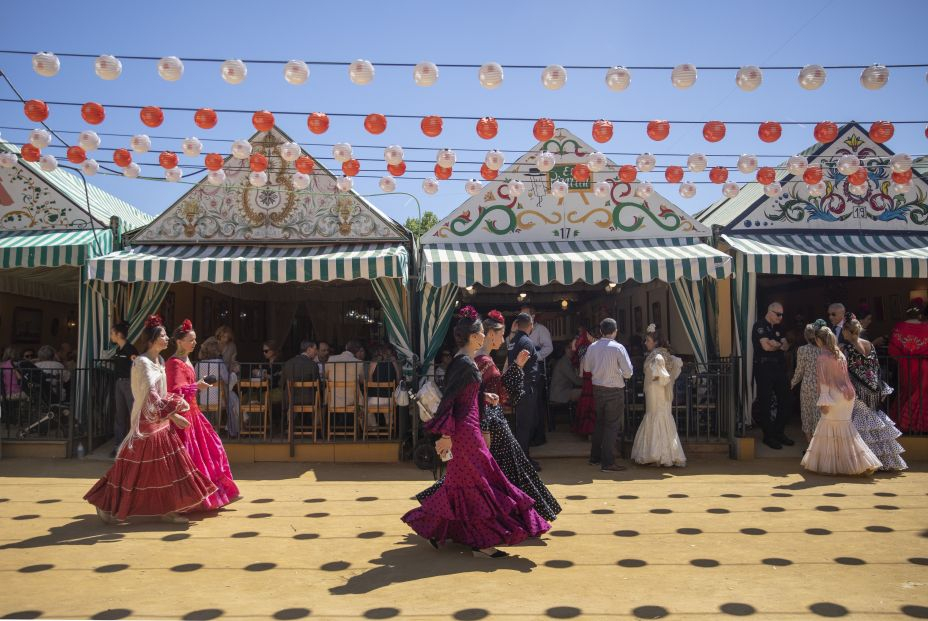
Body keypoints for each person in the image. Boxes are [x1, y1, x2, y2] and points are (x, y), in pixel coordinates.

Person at [402, 306, 550, 558]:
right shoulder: (465, 363)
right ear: (473, 337)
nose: (485, 336)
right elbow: (450, 401)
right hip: (467, 434)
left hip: (467, 430)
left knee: (461, 486)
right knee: (479, 486)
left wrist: (482, 395)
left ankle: (446, 532)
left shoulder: (466, 362)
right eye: (482, 332)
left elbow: (461, 397)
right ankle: (479, 542)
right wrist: (446, 435)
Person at [84, 315, 217, 524]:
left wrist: (171, 415)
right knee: (131, 468)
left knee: (169, 466)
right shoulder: (143, 362)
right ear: (152, 339)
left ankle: (169, 509)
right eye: (162, 336)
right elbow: (151, 395)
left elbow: (162, 394)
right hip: (145, 424)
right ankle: (105, 503)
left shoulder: (160, 360)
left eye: (165, 335)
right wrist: (174, 415)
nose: (166, 339)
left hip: (161, 422)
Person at [166, 320, 239, 510]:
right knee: (194, 456)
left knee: (213, 448)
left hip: (195, 412)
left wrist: (196, 386)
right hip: (184, 414)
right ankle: (193, 498)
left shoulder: (188, 361)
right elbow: (174, 390)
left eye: (195, 339)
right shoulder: (174, 363)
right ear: (180, 341)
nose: (194, 343)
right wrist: (196, 386)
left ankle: (219, 490)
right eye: (191, 340)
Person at [800, 321, 882, 476]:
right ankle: (863, 463)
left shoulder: (822, 357)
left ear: (819, 340)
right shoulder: (840, 355)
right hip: (847, 396)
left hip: (832, 395)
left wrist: (824, 401)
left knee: (829, 430)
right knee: (847, 431)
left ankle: (842, 465)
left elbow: (823, 381)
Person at [842, 317, 907, 471]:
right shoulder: (869, 344)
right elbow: (876, 367)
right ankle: (880, 460)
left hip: (857, 389)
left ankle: (866, 462)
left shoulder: (847, 348)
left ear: (846, 331)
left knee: (861, 424)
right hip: (874, 387)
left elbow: (845, 370)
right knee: (873, 421)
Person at [582, 318, 634, 473]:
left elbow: (587, 368)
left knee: (599, 423)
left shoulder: (592, 347)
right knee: (612, 425)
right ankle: (608, 462)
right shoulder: (618, 348)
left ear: (600, 331)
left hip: (598, 389)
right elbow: (629, 373)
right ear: (615, 331)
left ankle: (595, 457)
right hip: (614, 390)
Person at [631, 325, 685, 467]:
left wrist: (658, 376)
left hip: (656, 391)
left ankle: (656, 453)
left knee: (656, 416)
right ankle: (664, 453)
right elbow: (673, 370)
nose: (646, 343)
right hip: (659, 392)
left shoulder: (658, 355)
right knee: (661, 417)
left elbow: (662, 375)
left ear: (655, 342)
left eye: (648, 340)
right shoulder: (666, 355)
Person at [752, 302, 794, 450]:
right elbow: (765, 347)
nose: (781, 317)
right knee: (765, 401)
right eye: (778, 314)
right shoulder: (759, 325)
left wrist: (774, 344)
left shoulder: (778, 328)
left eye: (782, 314)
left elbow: (786, 346)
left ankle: (779, 432)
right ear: (769, 312)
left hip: (778, 367)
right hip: (764, 367)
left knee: (786, 399)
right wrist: (776, 344)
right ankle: (768, 435)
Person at [888, 299, 928, 432]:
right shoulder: (926, 327)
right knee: (922, 395)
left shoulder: (899, 327)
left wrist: (903, 358)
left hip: (905, 366)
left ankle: (907, 424)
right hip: (923, 367)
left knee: (907, 392)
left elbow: (892, 350)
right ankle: (919, 425)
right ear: (920, 313)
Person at [508, 313, 541, 470]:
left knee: (523, 425)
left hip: (519, 386)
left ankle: (523, 458)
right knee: (525, 426)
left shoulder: (513, 341)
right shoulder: (527, 342)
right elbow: (521, 365)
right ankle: (523, 462)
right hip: (526, 387)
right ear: (530, 325)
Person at [519, 305, 554, 439]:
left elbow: (549, 347)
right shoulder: (519, 330)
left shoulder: (541, 329)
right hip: (522, 368)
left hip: (536, 368)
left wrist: (536, 356)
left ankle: (537, 436)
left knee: (535, 402)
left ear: (533, 316)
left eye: (525, 314)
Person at [195, 337, 240, 439]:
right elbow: (227, 380)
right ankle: (233, 430)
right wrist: (234, 373)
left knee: (231, 397)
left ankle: (208, 429)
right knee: (234, 398)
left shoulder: (198, 364)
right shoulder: (219, 363)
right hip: (218, 399)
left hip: (202, 400)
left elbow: (195, 382)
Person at [110, 321, 138, 457]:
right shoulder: (118, 350)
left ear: (119, 334)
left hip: (129, 383)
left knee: (133, 413)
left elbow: (136, 365)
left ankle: (134, 445)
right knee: (119, 414)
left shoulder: (130, 349)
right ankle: (118, 445)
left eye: (112, 333)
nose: (111, 336)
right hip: (119, 383)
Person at [790, 324, 821, 443]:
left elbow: (799, 371)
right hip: (821, 386)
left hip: (807, 386)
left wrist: (792, 383)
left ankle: (810, 450)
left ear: (805, 336)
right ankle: (818, 448)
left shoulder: (802, 350)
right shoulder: (824, 349)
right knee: (819, 416)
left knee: (807, 416)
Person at [282, 340, 320, 423]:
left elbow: (281, 383)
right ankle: (317, 428)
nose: (317, 352)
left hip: (291, 399)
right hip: (309, 400)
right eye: (315, 349)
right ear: (309, 349)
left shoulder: (288, 363)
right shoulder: (313, 365)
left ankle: (291, 424)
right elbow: (318, 385)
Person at [366, 343, 400, 429]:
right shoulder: (394, 361)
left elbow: (370, 381)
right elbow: (398, 379)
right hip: (391, 398)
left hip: (375, 399)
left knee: (364, 407)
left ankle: (374, 426)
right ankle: (389, 426)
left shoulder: (373, 363)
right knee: (389, 407)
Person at [570, 327, 596, 436]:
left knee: (587, 405)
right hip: (594, 384)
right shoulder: (594, 349)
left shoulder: (583, 350)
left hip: (587, 384)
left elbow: (581, 374)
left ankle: (586, 430)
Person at [326, 341, 365, 410]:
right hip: (352, 400)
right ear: (357, 351)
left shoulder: (330, 359)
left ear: (346, 347)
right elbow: (362, 381)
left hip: (333, 399)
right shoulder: (359, 362)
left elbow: (325, 375)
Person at [549, 343, 583, 410]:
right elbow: (576, 380)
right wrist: (589, 383)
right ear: (565, 349)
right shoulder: (564, 362)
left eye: (572, 348)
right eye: (568, 348)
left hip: (565, 391)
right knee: (585, 392)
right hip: (560, 394)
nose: (571, 350)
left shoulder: (569, 361)